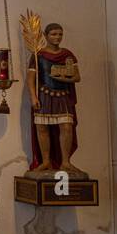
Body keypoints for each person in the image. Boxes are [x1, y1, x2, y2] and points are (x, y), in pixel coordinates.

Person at [27, 22, 84, 177]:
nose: (57, 37)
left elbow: (77, 77)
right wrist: (33, 96)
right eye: (53, 34)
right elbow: (31, 78)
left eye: (60, 34)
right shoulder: (38, 55)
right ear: (46, 36)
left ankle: (65, 161)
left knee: (66, 127)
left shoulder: (67, 55)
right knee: (42, 128)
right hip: (44, 94)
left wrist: (62, 76)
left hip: (62, 95)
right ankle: (45, 161)